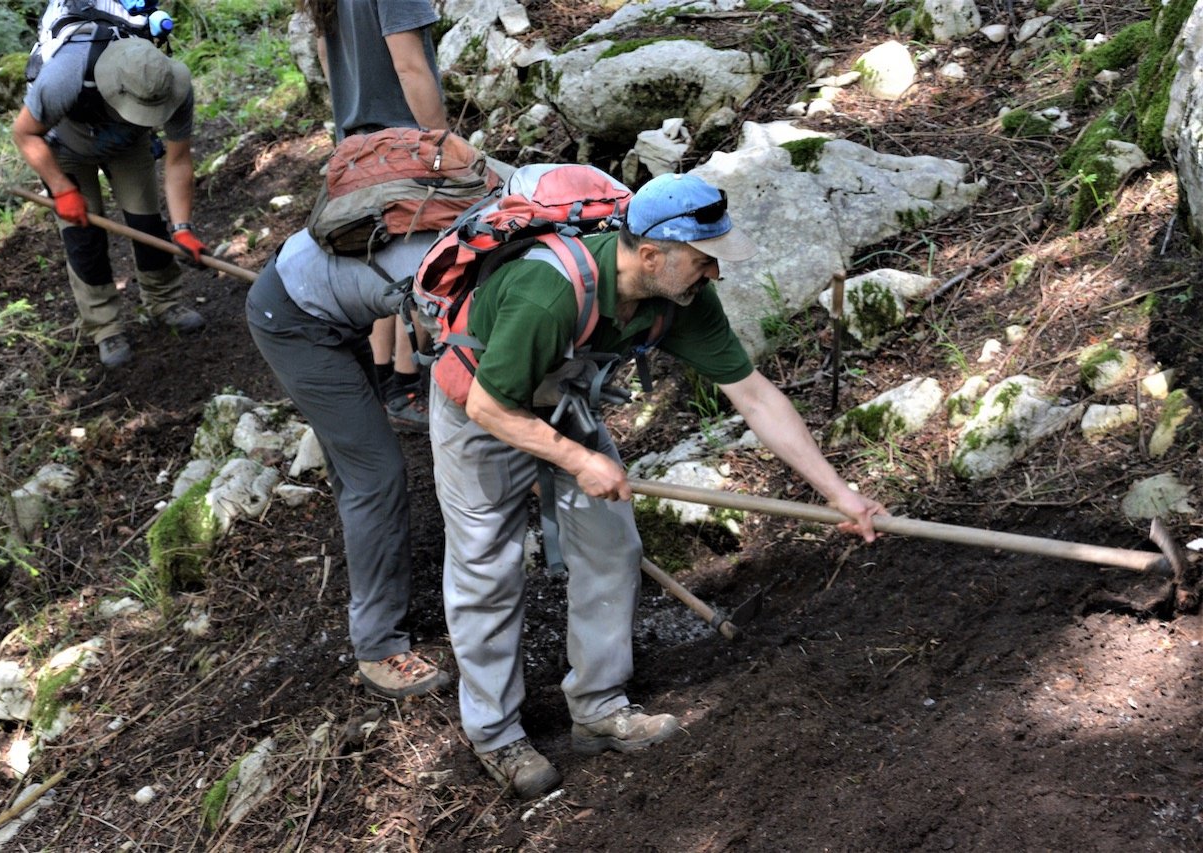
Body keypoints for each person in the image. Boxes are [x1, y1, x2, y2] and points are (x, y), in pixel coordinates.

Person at [429, 172, 888, 798]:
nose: (715, 275)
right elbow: (489, 407)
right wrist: (578, 459)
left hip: (558, 400)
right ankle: (496, 735)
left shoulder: (682, 298)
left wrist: (838, 493)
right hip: (481, 408)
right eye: (705, 261)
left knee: (613, 548)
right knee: (488, 568)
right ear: (651, 255)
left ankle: (597, 708)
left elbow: (753, 396)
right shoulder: (547, 292)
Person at [245, 223, 450, 698]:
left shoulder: (479, 234)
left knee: (360, 462)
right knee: (377, 476)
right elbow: (443, 357)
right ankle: (379, 646)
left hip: (322, 301)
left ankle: (368, 556)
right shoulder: (454, 267)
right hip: (294, 321)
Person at [11, 34, 208, 368]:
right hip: (66, 151)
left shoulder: (173, 85)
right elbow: (23, 133)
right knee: (82, 237)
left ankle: (164, 301)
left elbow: (178, 161)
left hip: (129, 147)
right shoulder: (65, 76)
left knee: (147, 223)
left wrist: (183, 228)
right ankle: (105, 326)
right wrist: (61, 189)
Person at [298, 0, 447, 431]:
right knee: (422, 269)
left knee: (381, 263)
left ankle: (383, 382)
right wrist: (443, 146)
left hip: (358, 146)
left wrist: (350, 117)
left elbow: (327, 52)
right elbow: (410, 66)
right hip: (404, 146)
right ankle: (405, 385)